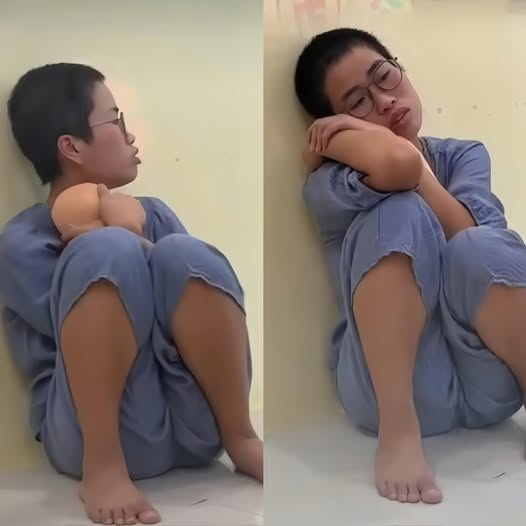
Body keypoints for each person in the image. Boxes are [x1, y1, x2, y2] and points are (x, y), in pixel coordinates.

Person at [0, 63, 263, 526]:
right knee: (105, 249)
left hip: (194, 423)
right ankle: (103, 470)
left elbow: (188, 312)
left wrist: (136, 233)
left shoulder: (152, 214)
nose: (131, 135)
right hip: (95, 435)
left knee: (185, 252)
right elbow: (80, 332)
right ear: (71, 147)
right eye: (116, 120)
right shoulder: (23, 241)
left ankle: (241, 436)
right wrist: (123, 235)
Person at [294, 28, 526, 505]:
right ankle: (399, 438)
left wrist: (412, 163)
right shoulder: (327, 185)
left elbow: (468, 237)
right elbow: (398, 168)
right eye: (358, 103)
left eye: (385, 76)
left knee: (481, 243)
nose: (385, 100)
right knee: (397, 210)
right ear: (334, 126)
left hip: (490, 373)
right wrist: (372, 148)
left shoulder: (463, 155)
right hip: (392, 393)